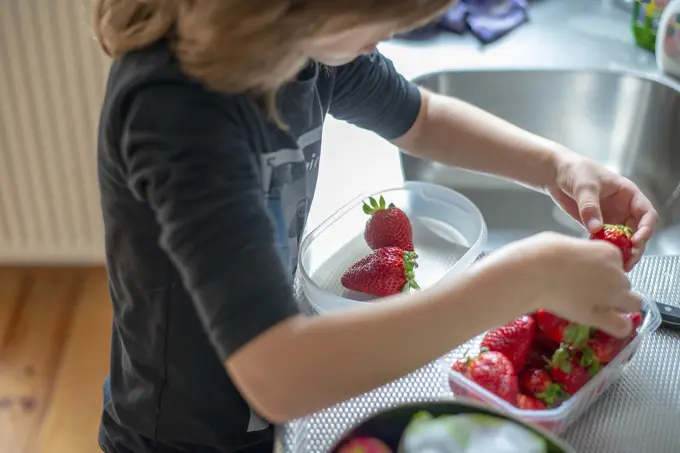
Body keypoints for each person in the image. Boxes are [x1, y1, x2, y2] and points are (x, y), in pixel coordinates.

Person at [92, 1, 658, 452]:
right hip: (180, 436)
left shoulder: (299, 47)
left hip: (259, 420)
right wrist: (523, 278)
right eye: (382, 17)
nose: (387, 37)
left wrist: (553, 165)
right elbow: (278, 374)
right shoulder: (176, 112)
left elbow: (423, 119)